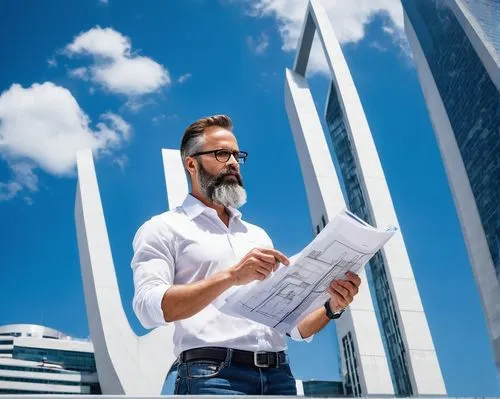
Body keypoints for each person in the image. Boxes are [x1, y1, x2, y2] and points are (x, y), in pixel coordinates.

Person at [131, 115, 362, 396]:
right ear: (191, 164)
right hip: (213, 379)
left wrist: (331, 307)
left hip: (279, 377)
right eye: (221, 154)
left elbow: (294, 327)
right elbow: (148, 308)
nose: (233, 162)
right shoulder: (163, 228)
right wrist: (231, 276)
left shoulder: (257, 235)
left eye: (237, 155)